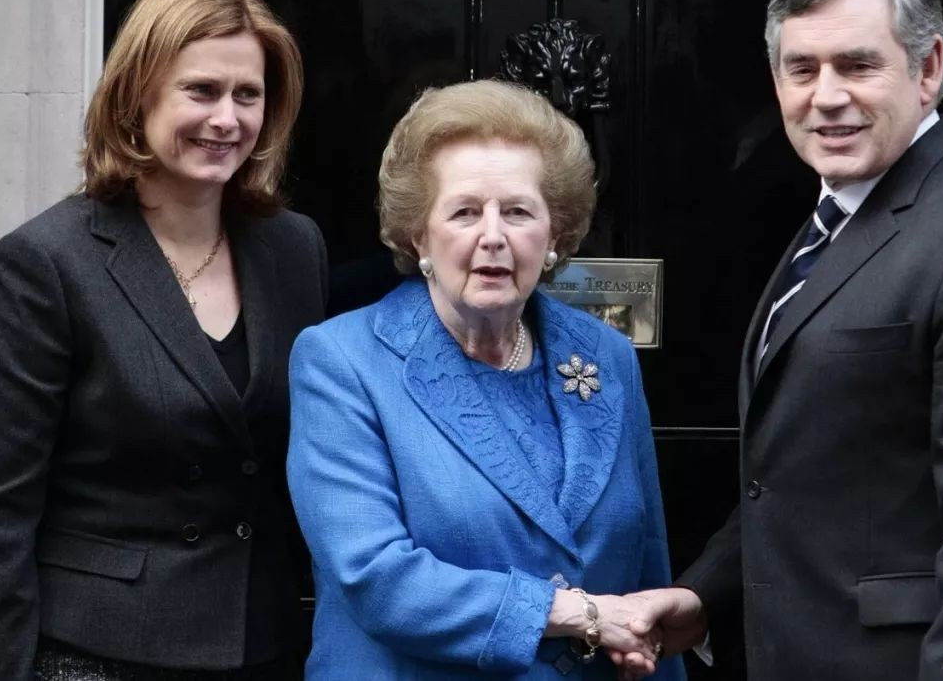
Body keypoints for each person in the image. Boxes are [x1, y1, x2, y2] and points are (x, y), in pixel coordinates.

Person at [621, 0, 943, 680]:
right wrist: (704, 594)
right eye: (802, 69)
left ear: (929, 69)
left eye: (857, 65)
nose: (825, 95)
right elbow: (804, 476)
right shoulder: (834, 218)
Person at [0, 0, 327, 679]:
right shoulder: (45, 262)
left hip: (264, 644)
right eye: (201, 90)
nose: (227, 119)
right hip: (96, 652)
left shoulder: (295, 248)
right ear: (137, 94)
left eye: (248, 94)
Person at [286, 79, 685, 680]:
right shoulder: (342, 362)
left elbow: (647, 566)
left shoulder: (607, 354)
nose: (493, 236)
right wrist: (577, 614)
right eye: (465, 212)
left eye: (518, 212)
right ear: (419, 234)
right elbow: (377, 579)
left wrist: (643, 644)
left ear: (554, 235)